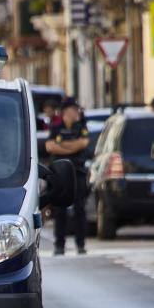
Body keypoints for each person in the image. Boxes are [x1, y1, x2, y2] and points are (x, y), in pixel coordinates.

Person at [45, 97, 90, 256]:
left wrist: (62, 146)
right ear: (66, 111)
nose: (76, 112)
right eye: (73, 109)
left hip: (78, 171)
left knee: (79, 209)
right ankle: (59, 245)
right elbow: (50, 147)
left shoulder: (81, 126)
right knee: (60, 210)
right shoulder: (56, 127)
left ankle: (81, 244)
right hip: (61, 173)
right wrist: (72, 148)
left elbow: (83, 143)